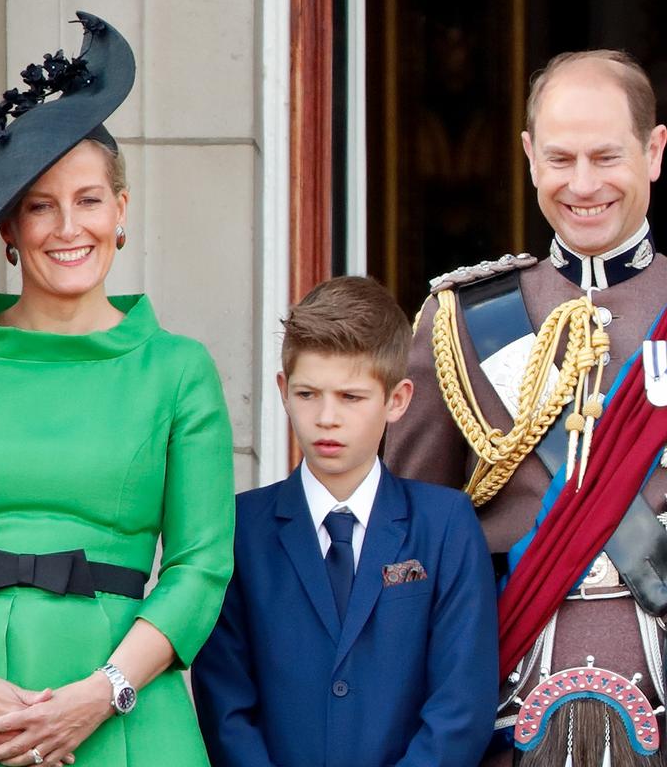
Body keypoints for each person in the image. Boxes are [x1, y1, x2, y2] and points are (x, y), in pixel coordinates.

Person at [0, 13, 235, 767]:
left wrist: (102, 693)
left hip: (122, 717)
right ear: (8, 227)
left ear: (121, 212)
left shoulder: (179, 369)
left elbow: (201, 566)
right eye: (40, 204)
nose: (69, 227)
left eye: (90, 200)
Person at [385, 50, 667, 766]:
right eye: (560, 158)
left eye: (606, 156)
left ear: (654, 150)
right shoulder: (463, 319)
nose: (583, 184)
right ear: (528, 157)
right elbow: (409, 539)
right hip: (511, 709)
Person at [191, 276, 498, 767]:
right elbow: (225, 703)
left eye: (351, 397)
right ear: (283, 390)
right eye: (309, 394)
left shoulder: (444, 524)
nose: (326, 418)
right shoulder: (240, 529)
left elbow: (461, 704)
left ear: (396, 400)